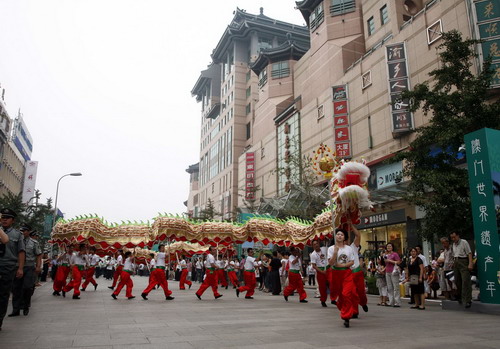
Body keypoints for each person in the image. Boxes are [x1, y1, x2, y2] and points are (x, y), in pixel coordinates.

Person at [0, 209, 25, 331]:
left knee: (3, 295)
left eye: (7, 217)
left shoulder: (17, 234)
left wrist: (20, 268)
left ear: (13, 220)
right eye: (3, 217)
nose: (4, 219)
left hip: (8, 267)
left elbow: (21, 252)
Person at [328, 228, 358, 328]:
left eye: (342, 234)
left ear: (344, 237)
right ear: (335, 236)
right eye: (338, 234)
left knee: (347, 294)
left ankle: (346, 316)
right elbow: (331, 263)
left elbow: (352, 262)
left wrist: (342, 265)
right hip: (336, 274)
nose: (340, 236)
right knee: (341, 295)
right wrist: (335, 253)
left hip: (347, 273)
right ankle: (343, 308)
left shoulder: (349, 248)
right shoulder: (331, 248)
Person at [9, 224, 41, 317]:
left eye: (25, 231)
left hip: (29, 267)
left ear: (29, 232)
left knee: (27, 287)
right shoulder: (15, 241)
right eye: (21, 231)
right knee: (16, 289)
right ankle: (16, 310)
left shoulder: (34, 243)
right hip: (17, 266)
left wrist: (38, 266)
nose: (23, 233)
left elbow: (38, 255)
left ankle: (26, 305)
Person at [349, 222, 368, 316]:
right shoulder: (337, 249)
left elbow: (358, 235)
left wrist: (350, 224)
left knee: (361, 292)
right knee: (352, 293)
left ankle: (363, 303)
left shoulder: (353, 246)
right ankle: (355, 311)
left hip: (357, 272)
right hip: (348, 274)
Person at [450, 231, 473, 308]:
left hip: (463, 261)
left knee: (465, 280)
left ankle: (467, 299)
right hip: (456, 262)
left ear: (458, 236)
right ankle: (459, 296)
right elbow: (454, 254)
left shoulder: (464, 242)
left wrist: (470, 263)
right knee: (457, 280)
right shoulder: (453, 244)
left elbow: (469, 253)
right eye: (452, 237)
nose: (453, 239)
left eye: (454, 237)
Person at [310, 240, 328, 307]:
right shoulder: (313, 254)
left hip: (328, 268)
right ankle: (323, 300)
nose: (316, 245)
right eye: (314, 244)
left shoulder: (324, 248)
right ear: (313, 246)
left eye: (317, 243)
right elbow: (314, 265)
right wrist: (321, 271)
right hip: (320, 271)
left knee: (333, 284)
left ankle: (333, 299)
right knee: (322, 287)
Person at [384, 242, 401, 307]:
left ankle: (397, 302)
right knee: (389, 287)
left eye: (390, 246)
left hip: (394, 272)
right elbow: (385, 262)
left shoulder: (395, 254)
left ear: (392, 247)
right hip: (387, 271)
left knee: (395, 287)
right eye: (388, 247)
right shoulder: (386, 255)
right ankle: (391, 301)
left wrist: (390, 261)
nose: (389, 248)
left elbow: (399, 262)